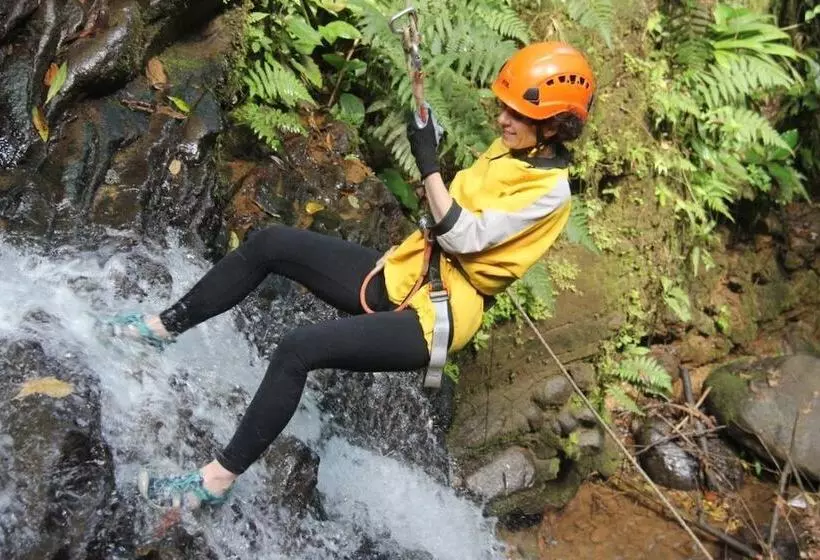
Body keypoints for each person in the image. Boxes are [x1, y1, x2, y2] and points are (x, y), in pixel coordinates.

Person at [111, 41, 596, 510]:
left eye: (517, 116)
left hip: (437, 318)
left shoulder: (551, 194)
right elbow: (462, 208)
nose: (502, 120)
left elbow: (465, 237)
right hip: (409, 272)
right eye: (504, 109)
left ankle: (214, 481)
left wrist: (428, 161)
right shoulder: (514, 150)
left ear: (553, 127)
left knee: (297, 349)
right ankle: (159, 329)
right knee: (270, 243)